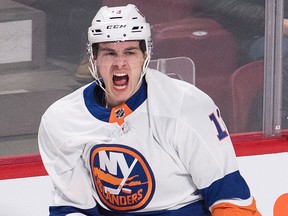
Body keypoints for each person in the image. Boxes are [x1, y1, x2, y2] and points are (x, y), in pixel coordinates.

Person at [38, 4, 261, 216]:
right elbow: (71, 208)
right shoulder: (62, 120)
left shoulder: (186, 106)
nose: (120, 64)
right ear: (94, 58)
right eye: (109, 53)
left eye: (130, 52)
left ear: (146, 55)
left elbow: (232, 201)